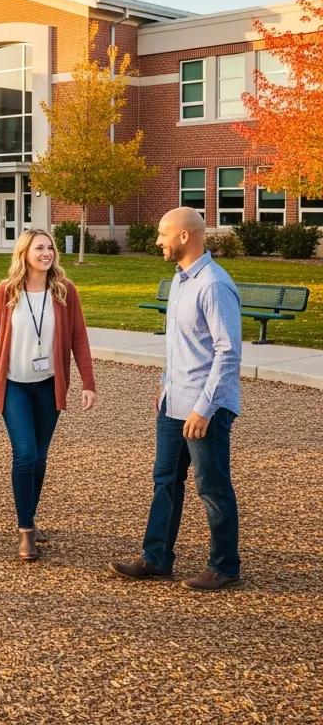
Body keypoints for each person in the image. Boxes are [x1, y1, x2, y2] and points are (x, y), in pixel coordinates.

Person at [110, 207, 242, 591]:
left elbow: (227, 352)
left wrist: (204, 407)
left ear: (185, 236)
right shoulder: (182, 280)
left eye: (162, 233)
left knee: (212, 486)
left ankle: (224, 566)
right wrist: (166, 387)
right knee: (165, 480)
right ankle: (156, 558)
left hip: (205, 407)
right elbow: (181, 346)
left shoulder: (213, 285)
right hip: (174, 402)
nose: (157, 241)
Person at [0, 228, 97, 561]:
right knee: (26, 454)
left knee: (40, 458)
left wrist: (89, 383)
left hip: (48, 385)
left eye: (50, 248)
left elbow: (79, 340)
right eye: (39, 248)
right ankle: (25, 531)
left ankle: (29, 515)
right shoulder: (7, 291)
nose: (46, 253)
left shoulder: (65, 291)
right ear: (24, 254)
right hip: (13, 384)